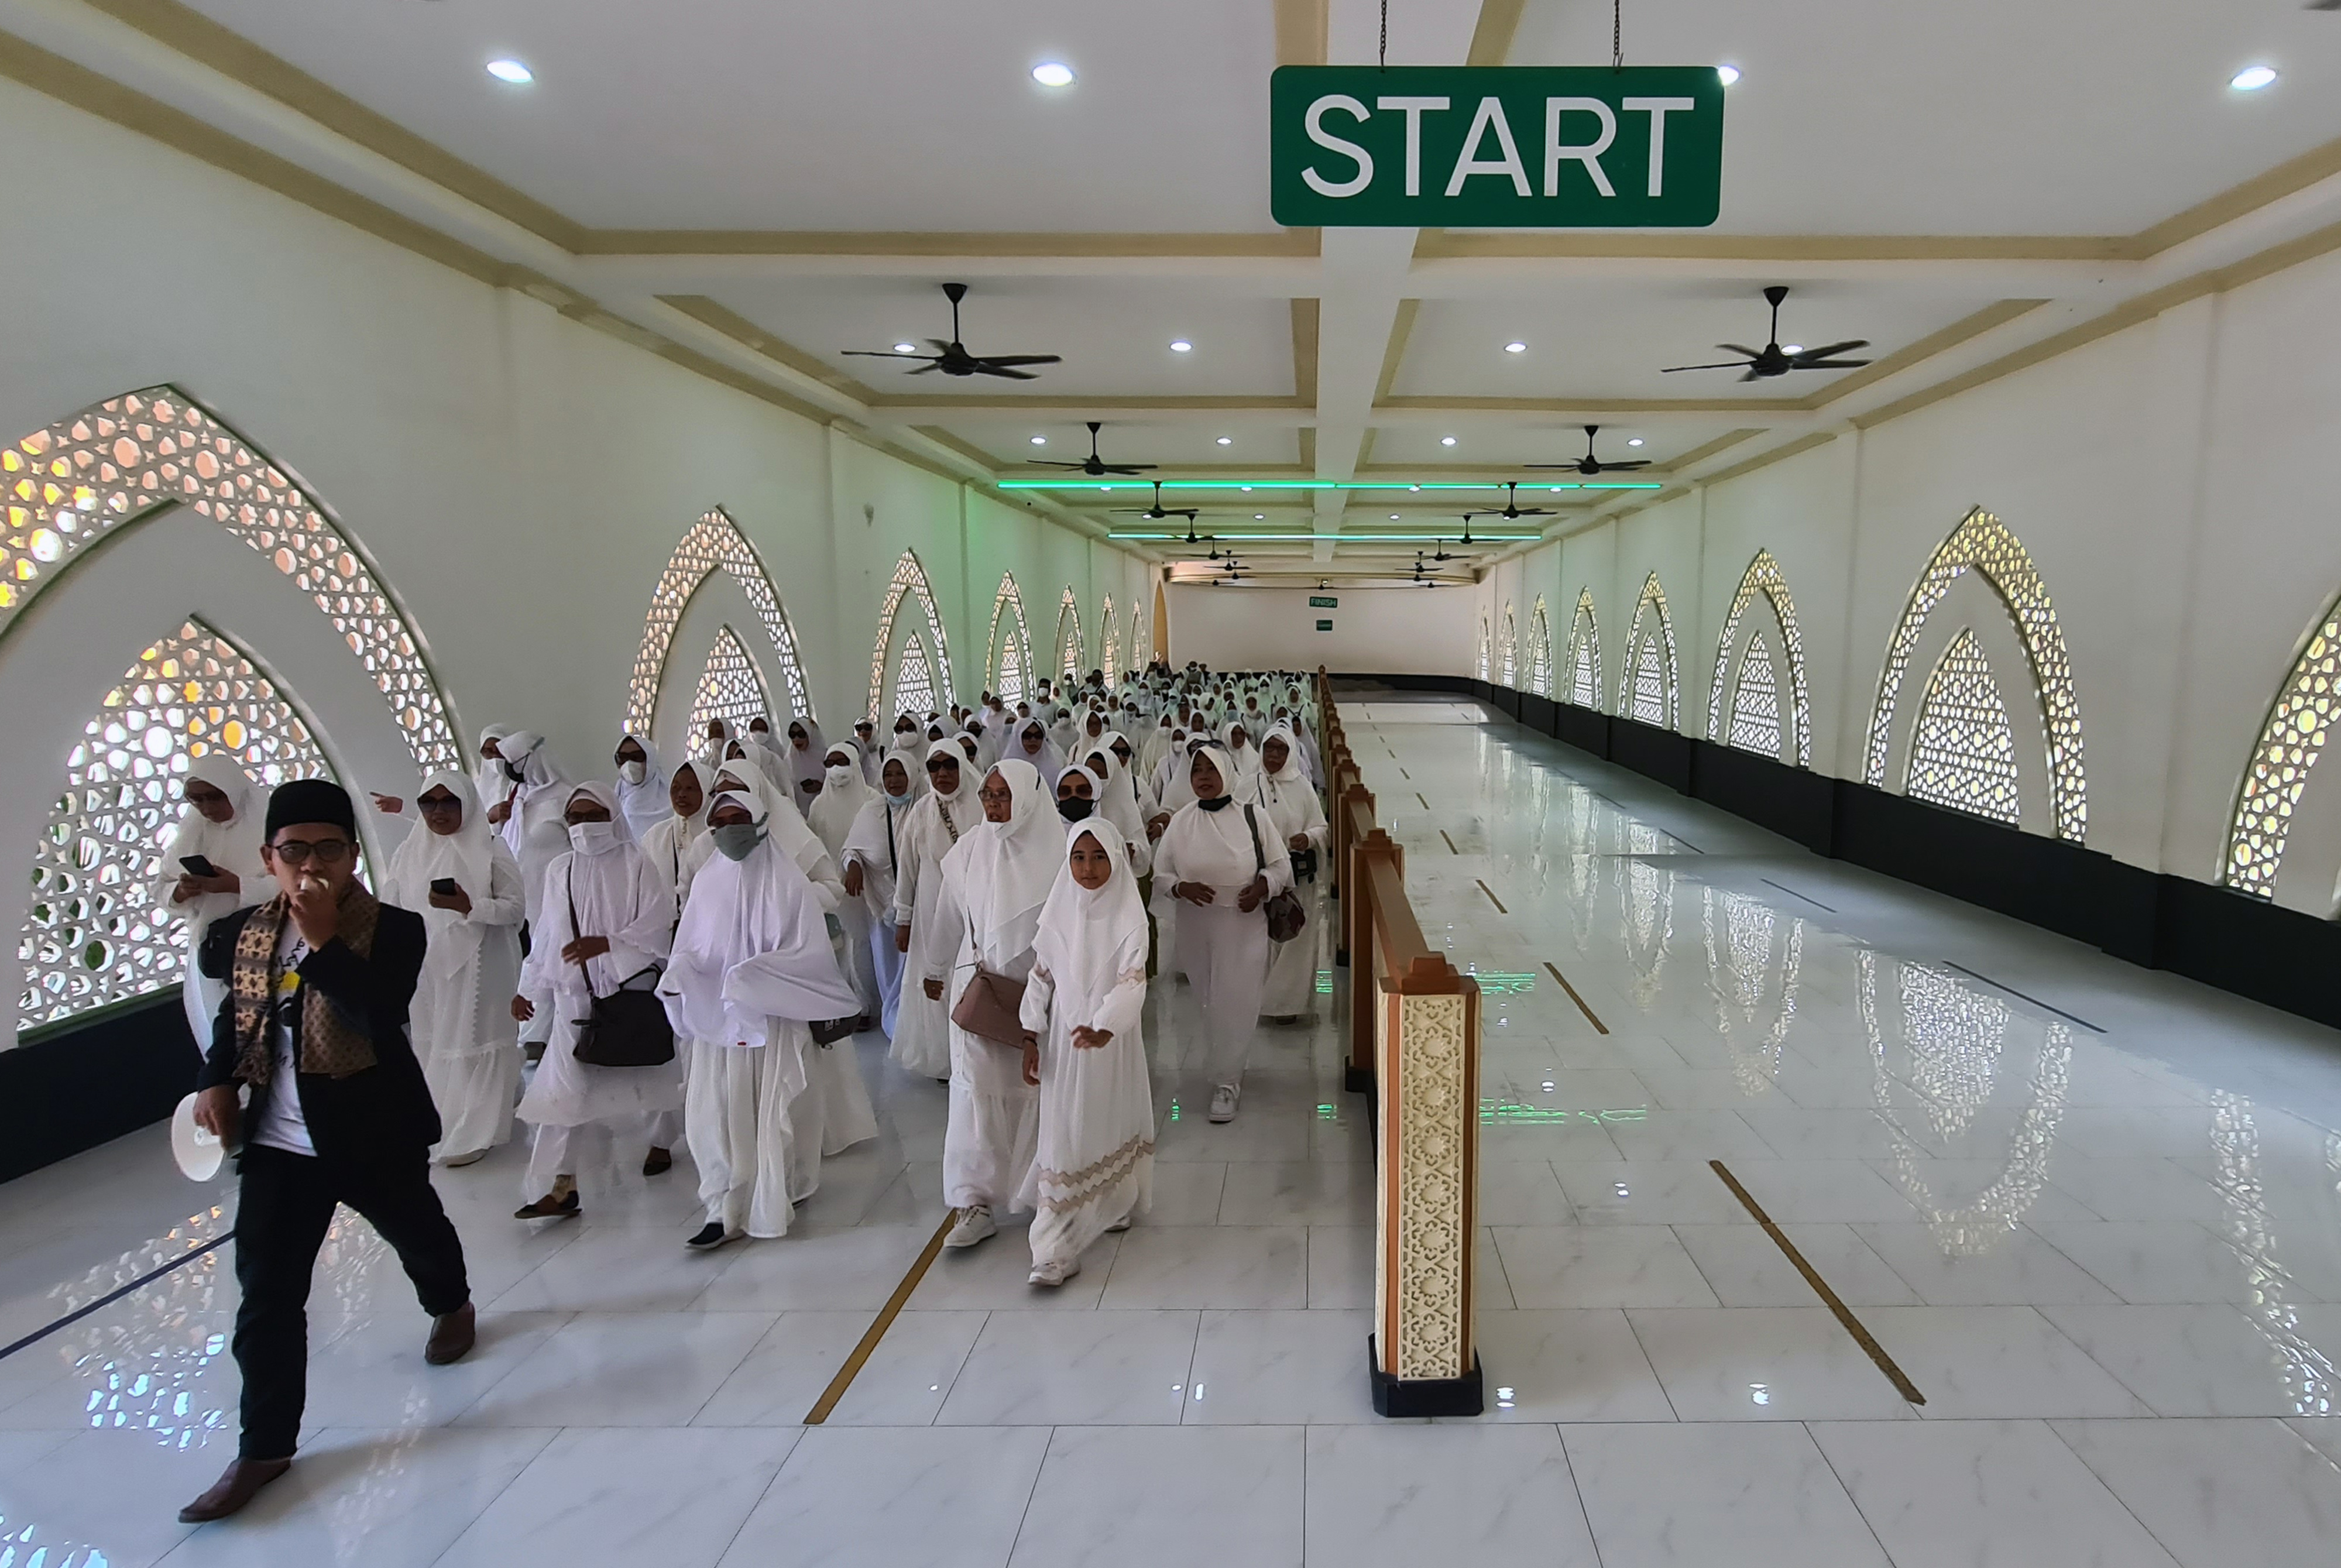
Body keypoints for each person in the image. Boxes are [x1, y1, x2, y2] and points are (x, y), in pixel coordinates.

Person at [179, 780, 472, 1524]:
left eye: (330, 849)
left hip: (370, 1131)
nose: (313, 865)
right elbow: (235, 1018)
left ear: (352, 856)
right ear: (267, 857)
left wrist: (322, 942)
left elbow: (375, 1015)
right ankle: (265, 1447)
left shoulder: (395, 928)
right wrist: (215, 1081)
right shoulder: (247, 931)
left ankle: (451, 1303)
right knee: (268, 1299)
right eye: (295, 850)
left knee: (418, 1233)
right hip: (280, 1141)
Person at [661, 789, 866, 1248]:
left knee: (770, 1111)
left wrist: (759, 975)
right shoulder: (708, 882)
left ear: (758, 822)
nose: (730, 830)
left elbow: (809, 955)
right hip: (719, 1024)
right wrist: (682, 970)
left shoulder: (788, 882)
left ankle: (775, 1189)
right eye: (722, 822)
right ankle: (723, 1203)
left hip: (772, 1021)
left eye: (739, 818)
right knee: (714, 1113)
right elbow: (694, 945)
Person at [511, 783, 679, 1214]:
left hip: (629, 990)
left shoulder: (637, 862)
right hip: (574, 996)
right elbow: (547, 933)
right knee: (562, 1088)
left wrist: (608, 945)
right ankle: (559, 1185)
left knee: (648, 1074)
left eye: (593, 815)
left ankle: (662, 1140)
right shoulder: (560, 870)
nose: (584, 826)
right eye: (575, 817)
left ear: (612, 816)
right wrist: (526, 989)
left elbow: (658, 927)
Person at [1016, 824, 1153, 1284]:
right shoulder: (1058, 913)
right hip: (1065, 1044)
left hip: (1110, 1042)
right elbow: (1040, 977)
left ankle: (1112, 1197)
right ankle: (1052, 1248)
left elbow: (1132, 981)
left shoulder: (1131, 917)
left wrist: (1105, 1026)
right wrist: (1031, 1035)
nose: (1088, 868)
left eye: (1099, 857)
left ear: (1116, 859)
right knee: (1063, 1134)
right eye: (1079, 857)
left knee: (1106, 1119)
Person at [928, 760, 1053, 1248]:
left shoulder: (1059, 854)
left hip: (1039, 989)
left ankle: (1044, 1191)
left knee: (1036, 1090)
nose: (995, 804)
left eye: (1004, 795)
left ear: (1026, 797)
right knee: (976, 1091)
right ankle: (973, 1199)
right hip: (980, 988)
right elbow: (947, 914)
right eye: (989, 794)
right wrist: (936, 969)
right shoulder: (967, 853)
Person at [377, 771, 526, 1165]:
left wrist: (468, 906)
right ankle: (443, 1119)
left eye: (449, 802)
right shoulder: (407, 852)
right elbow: (391, 905)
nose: (438, 811)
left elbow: (515, 909)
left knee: (478, 1038)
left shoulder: (492, 848)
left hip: (485, 963)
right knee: (437, 1039)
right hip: (428, 965)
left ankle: (479, 1129)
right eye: (429, 803)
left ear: (468, 804)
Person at [1154, 747, 1290, 1123]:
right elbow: (1161, 874)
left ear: (1227, 772)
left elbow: (1281, 866)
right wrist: (1183, 889)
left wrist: (1262, 887)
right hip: (1197, 926)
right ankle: (1224, 1065)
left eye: (1210, 769)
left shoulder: (1252, 816)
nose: (1203, 776)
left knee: (1237, 999)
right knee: (1210, 1000)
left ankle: (1228, 1082)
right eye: (1196, 770)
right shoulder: (1182, 822)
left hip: (1242, 925)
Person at [155, 755, 266, 1049]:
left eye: (215, 798)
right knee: (219, 1031)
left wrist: (236, 885)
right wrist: (180, 892)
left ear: (233, 790)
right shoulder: (193, 831)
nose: (206, 808)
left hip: (263, 947)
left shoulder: (269, 824)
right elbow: (161, 887)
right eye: (197, 800)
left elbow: (294, 886)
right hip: (210, 947)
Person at [889, 742, 977, 1079]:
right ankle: (944, 1059)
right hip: (929, 909)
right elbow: (908, 869)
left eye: (950, 765)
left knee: (968, 976)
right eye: (935, 767)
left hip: (970, 907)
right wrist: (904, 918)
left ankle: (973, 1053)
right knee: (935, 980)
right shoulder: (923, 810)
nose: (942, 773)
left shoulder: (981, 807)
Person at [1250, 728, 1327, 1024]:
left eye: (1281, 750)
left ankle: (1287, 1004)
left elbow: (1321, 826)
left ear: (1291, 754)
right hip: (1262, 877)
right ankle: (1262, 999)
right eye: (1269, 749)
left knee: (1296, 936)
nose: (1273, 755)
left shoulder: (1302, 787)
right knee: (1263, 939)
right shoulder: (1248, 785)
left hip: (1298, 876)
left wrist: (1307, 838)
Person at [843, 754, 919, 1038]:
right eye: (889, 775)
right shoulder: (870, 811)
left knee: (914, 969)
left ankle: (912, 1024)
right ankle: (894, 1021)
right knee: (889, 969)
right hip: (881, 905)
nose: (895, 780)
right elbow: (853, 849)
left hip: (917, 905)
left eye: (901, 774)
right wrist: (853, 866)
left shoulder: (923, 808)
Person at [808, 739, 882, 1027]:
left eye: (842, 762)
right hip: (832, 887)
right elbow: (814, 844)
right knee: (839, 948)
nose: (836, 769)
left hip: (867, 885)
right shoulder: (818, 805)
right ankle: (847, 1003)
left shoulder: (871, 799)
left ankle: (867, 1004)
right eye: (830, 763)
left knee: (864, 945)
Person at [640, 760, 714, 912]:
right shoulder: (655, 836)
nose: (681, 795)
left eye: (691, 789)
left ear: (707, 792)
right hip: (664, 928)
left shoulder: (719, 837)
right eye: (676, 788)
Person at [613, 732, 670, 842]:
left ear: (650, 759)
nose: (629, 763)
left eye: (636, 757)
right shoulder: (615, 799)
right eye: (622, 758)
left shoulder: (671, 802)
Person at [781, 717, 827, 808]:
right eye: (792, 735)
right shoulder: (789, 759)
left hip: (824, 809)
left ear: (811, 734)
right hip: (798, 811)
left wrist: (821, 786)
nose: (796, 739)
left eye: (801, 734)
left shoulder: (827, 757)